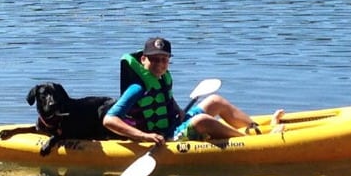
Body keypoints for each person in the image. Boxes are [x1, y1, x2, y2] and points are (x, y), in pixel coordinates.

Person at [103, 37, 283, 144]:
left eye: (164, 60)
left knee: (215, 101)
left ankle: (256, 129)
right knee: (202, 120)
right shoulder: (137, 88)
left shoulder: (163, 79)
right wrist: (144, 136)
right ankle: (255, 142)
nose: (159, 64)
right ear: (143, 60)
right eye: (154, 60)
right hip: (165, 138)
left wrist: (178, 110)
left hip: (173, 125)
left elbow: (165, 99)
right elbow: (109, 120)